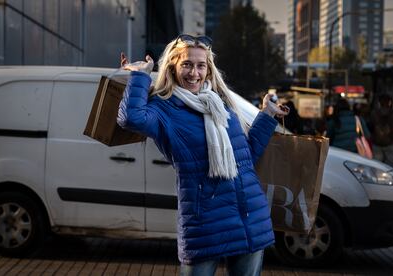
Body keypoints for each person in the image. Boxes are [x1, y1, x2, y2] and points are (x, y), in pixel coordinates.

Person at [116, 34, 289, 275]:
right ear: (173, 67)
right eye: (186, 64)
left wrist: (267, 116)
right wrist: (140, 75)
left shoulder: (220, 104)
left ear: (208, 70)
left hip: (248, 215)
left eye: (200, 65)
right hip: (205, 222)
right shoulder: (164, 108)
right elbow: (130, 118)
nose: (194, 72)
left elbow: (245, 157)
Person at [369, 94, 393, 169]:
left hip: (377, 144)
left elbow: (370, 127)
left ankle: (378, 180)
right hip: (392, 144)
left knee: (377, 167)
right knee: (390, 168)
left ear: (379, 103)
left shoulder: (373, 114)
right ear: (390, 103)